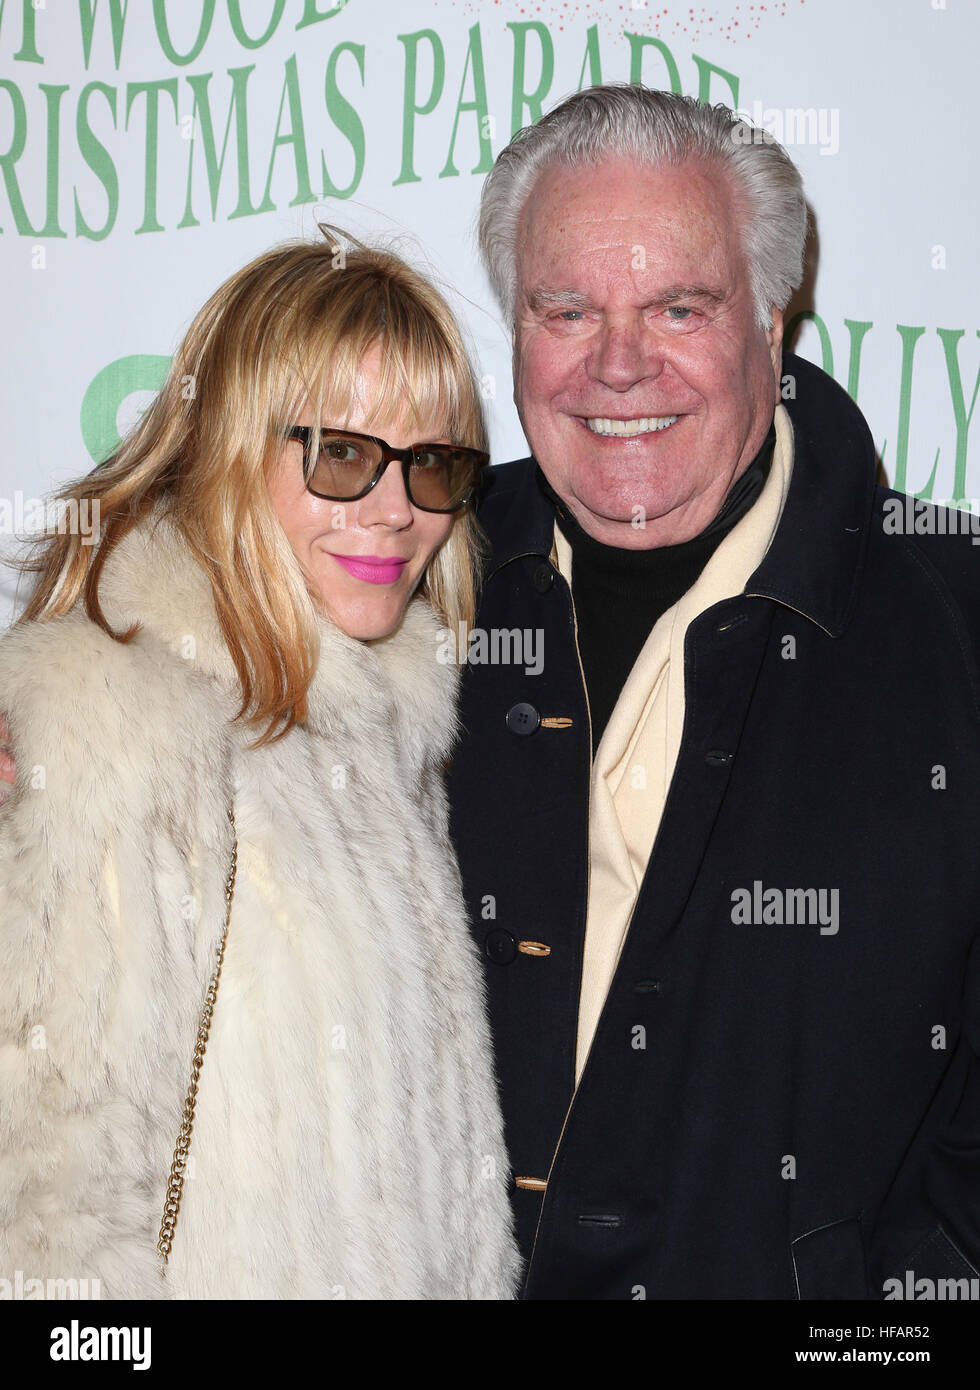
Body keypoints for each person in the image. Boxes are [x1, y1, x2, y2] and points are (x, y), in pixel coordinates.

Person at [446, 85, 980, 1298]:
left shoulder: (957, 622)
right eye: (564, 308)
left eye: (678, 306)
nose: (616, 365)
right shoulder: (410, 585)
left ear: (773, 323)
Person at [0, 236, 520, 1300]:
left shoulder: (385, 734)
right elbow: (49, 1201)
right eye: (340, 455)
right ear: (230, 446)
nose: (395, 510)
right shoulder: (120, 714)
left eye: (432, 463)